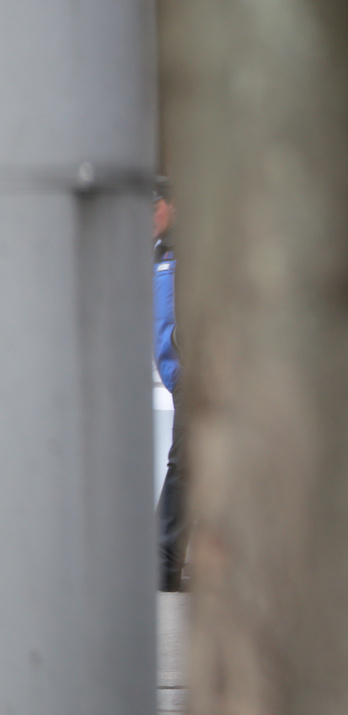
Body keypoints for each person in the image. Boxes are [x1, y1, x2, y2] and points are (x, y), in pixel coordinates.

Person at [153, 180, 186, 591]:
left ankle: (162, 561)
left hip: (196, 377)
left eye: (154, 206)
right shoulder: (162, 250)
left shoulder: (189, 249)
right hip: (184, 379)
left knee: (185, 470)